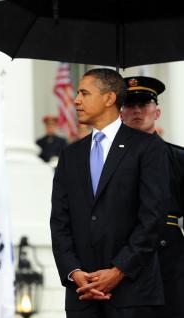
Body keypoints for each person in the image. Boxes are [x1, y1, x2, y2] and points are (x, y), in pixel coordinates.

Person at [50, 68, 169, 318]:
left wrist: (118, 270)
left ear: (109, 98)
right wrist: (74, 272)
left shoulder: (147, 148)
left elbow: (152, 218)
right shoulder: (70, 155)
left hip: (132, 294)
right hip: (82, 296)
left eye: (84, 93)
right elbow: (59, 222)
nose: (76, 100)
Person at [120, 76, 184, 318]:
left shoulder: (177, 158)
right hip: (120, 257)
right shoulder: (104, 163)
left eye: (144, 104)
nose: (137, 110)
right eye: (129, 104)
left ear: (157, 112)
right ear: (120, 113)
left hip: (167, 258)